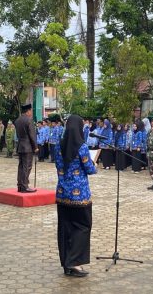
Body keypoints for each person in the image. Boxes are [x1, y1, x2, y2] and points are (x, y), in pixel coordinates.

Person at [54, 114, 96, 277]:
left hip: (62, 193)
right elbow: (90, 169)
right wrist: (94, 164)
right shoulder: (82, 147)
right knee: (82, 228)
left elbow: (58, 165)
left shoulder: (58, 145)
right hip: (80, 197)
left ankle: (66, 263)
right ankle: (75, 263)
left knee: (65, 229)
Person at [15, 104, 39, 192]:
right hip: (28, 146)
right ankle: (25, 186)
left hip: (20, 145)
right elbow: (32, 135)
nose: (31, 113)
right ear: (28, 111)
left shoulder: (17, 120)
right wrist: (35, 147)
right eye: (31, 111)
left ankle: (20, 185)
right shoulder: (29, 120)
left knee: (21, 166)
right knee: (27, 166)